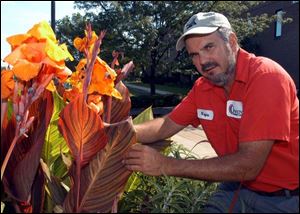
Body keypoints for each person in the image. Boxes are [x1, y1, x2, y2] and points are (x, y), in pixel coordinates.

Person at [123, 12, 299, 213]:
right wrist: (116, 131)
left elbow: (249, 165)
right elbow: (167, 124)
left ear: (231, 42)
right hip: (238, 185)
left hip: (285, 198)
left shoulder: (266, 78)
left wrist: (165, 165)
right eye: (194, 55)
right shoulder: (203, 86)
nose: (203, 61)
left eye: (209, 47)